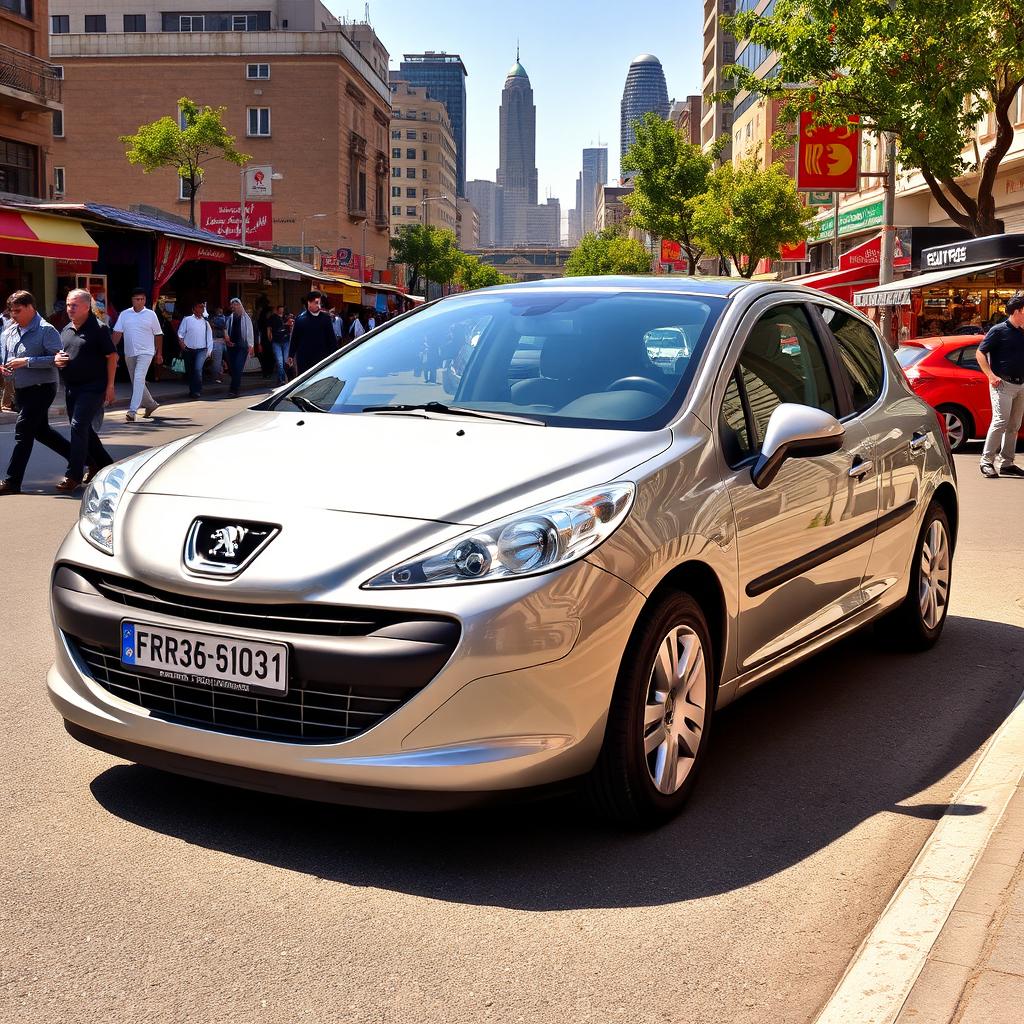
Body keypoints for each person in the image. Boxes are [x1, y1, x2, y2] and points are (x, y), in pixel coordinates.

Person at [0, 290, 71, 495]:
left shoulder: (46, 330)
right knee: (42, 432)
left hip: (42, 387)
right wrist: (3, 367)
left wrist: (27, 362)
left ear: (31, 308)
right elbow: (5, 357)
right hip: (20, 388)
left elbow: (59, 359)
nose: (13, 315)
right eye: (11, 311)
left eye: (18, 311)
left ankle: (13, 481)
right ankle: (85, 459)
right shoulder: (10, 331)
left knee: (23, 432)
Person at [53, 288, 116, 492]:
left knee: (78, 426)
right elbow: (63, 353)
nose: (69, 308)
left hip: (94, 387)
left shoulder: (99, 328)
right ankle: (105, 463)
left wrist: (110, 386)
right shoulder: (66, 329)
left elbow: (112, 357)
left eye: (74, 305)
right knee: (84, 429)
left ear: (86, 307)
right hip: (72, 387)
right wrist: (59, 360)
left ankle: (74, 475)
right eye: (68, 304)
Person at [977, 293, 1024, 479]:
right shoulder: (998, 330)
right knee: (1000, 422)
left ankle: (1007, 463)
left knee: (1014, 425)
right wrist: (990, 376)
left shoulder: (1022, 332)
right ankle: (986, 461)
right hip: (1002, 383)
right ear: (1018, 311)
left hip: (1021, 385)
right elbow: (980, 353)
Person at [112, 287, 162, 421]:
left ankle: (132, 410)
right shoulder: (124, 314)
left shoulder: (151, 314)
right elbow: (117, 333)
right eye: (137, 299)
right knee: (136, 381)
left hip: (146, 352)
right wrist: (111, 349)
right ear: (132, 300)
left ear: (145, 300)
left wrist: (159, 353)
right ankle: (151, 404)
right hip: (130, 352)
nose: (140, 302)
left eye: (142, 299)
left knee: (139, 378)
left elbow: (158, 334)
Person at [287, 290, 336, 374]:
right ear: (309, 303)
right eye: (316, 303)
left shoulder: (326, 319)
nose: (319, 306)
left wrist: (334, 356)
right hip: (304, 361)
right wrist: (291, 355)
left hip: (322, 359)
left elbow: (332, 339)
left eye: (320, 303)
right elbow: (295, 339)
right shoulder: (300, 320)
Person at [177, 300, 212, 399]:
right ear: (193, 309)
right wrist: (182, 344)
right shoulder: (187, 319)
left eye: (202, 307)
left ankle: (197, 391)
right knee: (190, 371)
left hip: (202, 350)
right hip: (188, 349)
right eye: (198, 307)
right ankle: (192, 390)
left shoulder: (205, 322)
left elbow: (209, 337)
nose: (200, 309)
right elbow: (180, 333)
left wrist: (209, 351)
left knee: (197, 369)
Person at [224, 297, 255, 397]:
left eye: (235, 305)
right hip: (231, 346)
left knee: (238, 368)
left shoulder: (246, 318)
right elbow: (226, 330)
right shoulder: (230, 318)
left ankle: (234, 390)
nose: (233, 307)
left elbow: (250, 333)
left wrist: (251, 345)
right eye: (232, 305)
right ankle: (235, 385)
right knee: (232, 369)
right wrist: (227, 339)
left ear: (239, 305)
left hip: (242, 347)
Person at [267, 304, 289, 384]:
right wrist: (269, 336)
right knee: (280, 362)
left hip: (286, 341)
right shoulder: (272, 317)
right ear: (277, 310)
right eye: (280, 310)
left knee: (285, 361)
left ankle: (282, 379)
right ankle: (282, 379)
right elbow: (269, 328)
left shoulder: (286, 317)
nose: (281, 311)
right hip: (276, 342)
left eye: (282, 310)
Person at [209, 306, 227, 384]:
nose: (220, 312)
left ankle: (217, 377)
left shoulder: (218, 319)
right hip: (218, 341)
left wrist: (213, 324)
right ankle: (218, 377)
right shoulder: (223, 318)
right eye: (218, 311)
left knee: (218, 361)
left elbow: (221, 325)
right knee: (218, 361)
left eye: (221, 311)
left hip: (218, 341)